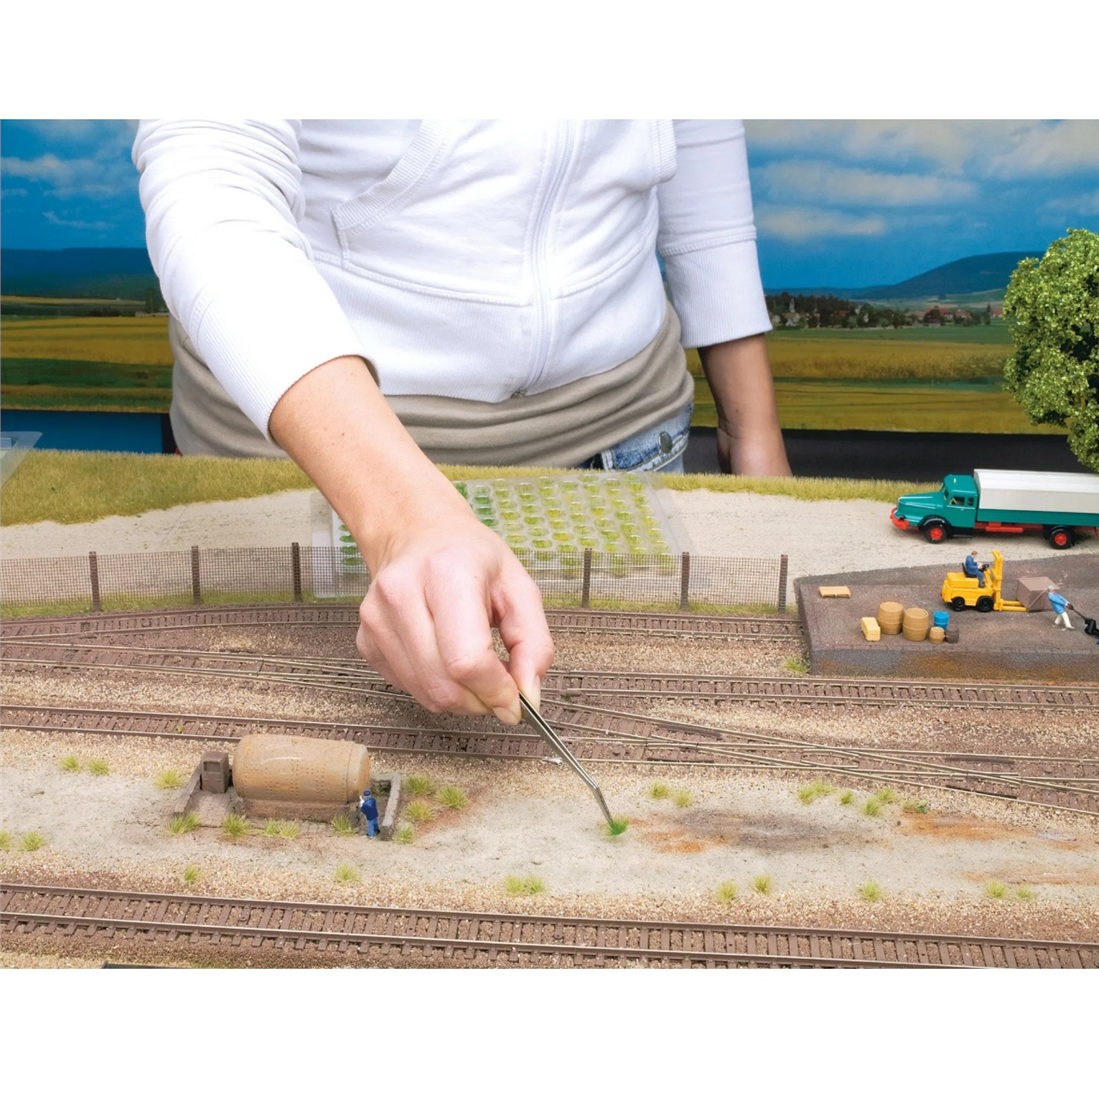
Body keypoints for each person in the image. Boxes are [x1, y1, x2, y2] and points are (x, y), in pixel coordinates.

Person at [133, 120, 791, 723]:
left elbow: (694, 128)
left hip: (626, 438)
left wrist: (753, 426)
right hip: (320, 461)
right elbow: (211, 190)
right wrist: (403, 516)